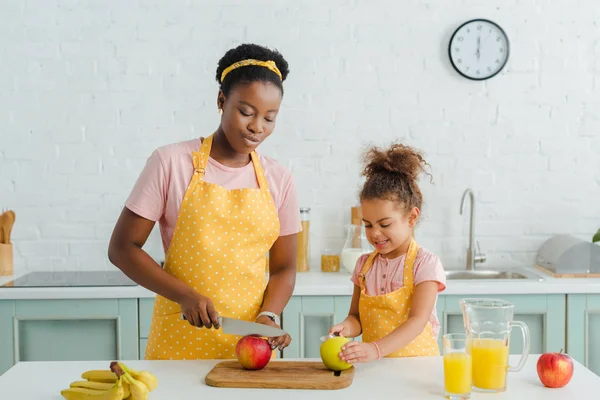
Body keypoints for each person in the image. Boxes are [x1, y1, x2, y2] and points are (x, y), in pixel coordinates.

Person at [108, 43, 300, 360]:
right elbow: (122, 248)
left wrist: (270, 315)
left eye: (270, 118)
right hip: (179, 341)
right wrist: (184, 296)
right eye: (246, 112)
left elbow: (284, 268)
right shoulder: (170, 162)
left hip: (249, 346)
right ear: (221, 100)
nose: (257, 127)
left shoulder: (280, 179)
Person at [328, 143, 446, 363]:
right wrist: (347, 327)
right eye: (368, 225)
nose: (375, 233)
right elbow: (357, 318)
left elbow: (417, 321)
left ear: (411, 218)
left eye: (384, 224)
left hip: (419, 369)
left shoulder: (425, 263)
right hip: (376, 369)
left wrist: (375, 349)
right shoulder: (364, 265)